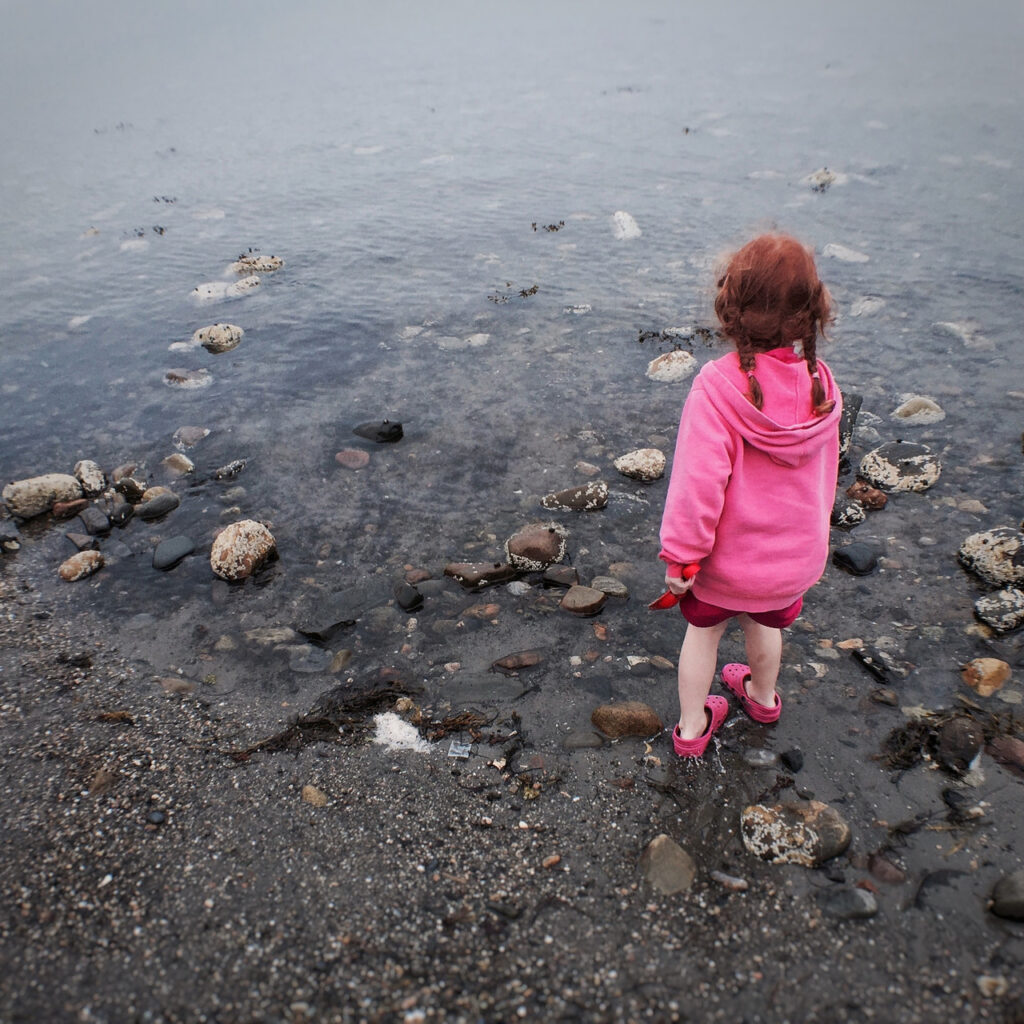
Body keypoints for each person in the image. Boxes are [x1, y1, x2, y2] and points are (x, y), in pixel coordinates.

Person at [656, 233, 843, 758]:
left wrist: (682, 558)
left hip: (723, 568)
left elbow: (697, 487)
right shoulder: (822, 384)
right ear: (810, 314)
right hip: (789, 565)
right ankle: (762, 698)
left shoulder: (716, 388)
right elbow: (823, 480)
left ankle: (693, 730)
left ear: (732, 309)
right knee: (765, 626)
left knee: (703, 638)